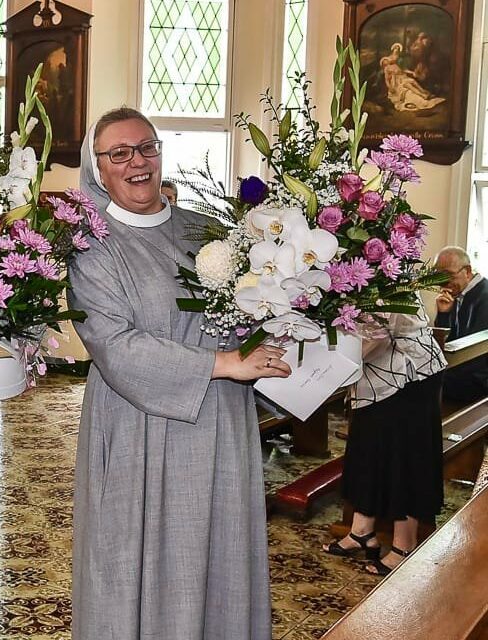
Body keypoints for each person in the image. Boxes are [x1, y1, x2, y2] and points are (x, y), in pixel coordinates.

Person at [69, 106, 291, 639]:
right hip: (139, 425)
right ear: (97, 168)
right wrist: (225, 365)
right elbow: (114, 345)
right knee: (139, 551)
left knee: (217, 544)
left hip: (222, 421)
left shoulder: (207, 229)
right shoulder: (91, 247)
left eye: (147, 147)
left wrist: (296, 329)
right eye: (118, 153)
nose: (136, 162)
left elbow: (249, 309)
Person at [323, 306, 445, 576]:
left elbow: (377, 333)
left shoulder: (393, 266)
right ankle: (362, 531)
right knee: (367, 449)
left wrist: (328, 375)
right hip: (376, 376)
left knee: (404, 456)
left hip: (409, 375)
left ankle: (405, 545)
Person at [434, 246, 487, 403]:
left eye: (449, 275)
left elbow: (476, 353)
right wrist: (444, 314)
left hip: (478, 380)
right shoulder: (460, 293)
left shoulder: (484, 296)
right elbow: (448, 341)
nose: (443, 282)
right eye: (438, 276)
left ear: (468, 271)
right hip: (463, 370)